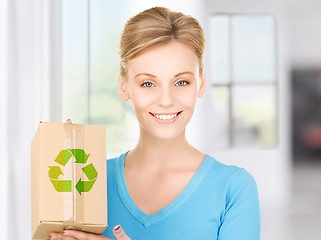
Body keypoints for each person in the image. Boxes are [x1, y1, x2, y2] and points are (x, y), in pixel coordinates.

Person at [48, 6, 260, 240]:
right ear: (124, 86)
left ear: (200, 83)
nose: (166, 101)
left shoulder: (233, 188)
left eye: (181, 82)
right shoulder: (87, 181)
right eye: (148, 84)